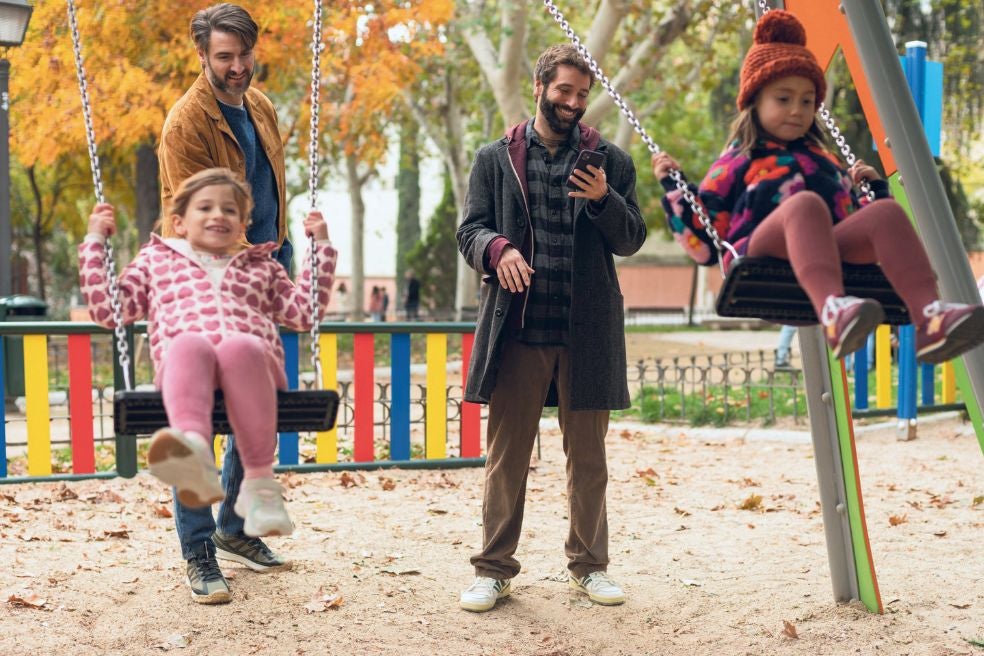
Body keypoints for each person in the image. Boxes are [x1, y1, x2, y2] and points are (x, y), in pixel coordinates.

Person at [653, 10, 984, 366]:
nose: (797, 110)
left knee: (885, 213)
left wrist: (874, 193)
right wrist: (675, 189)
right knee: (805, 205)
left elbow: (858, 226)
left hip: (828, 254)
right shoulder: (738, 160)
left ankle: (929, 317)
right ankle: (833, 312)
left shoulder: (825, 162)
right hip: (762, 255)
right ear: (754, 102)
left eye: (807, 101)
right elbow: (704, 244)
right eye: (783, 99)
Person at [80, 169, 336, 596]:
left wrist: (320, 248)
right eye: (206, 207)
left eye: (230, 210)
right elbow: (111, 310)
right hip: (187, 378)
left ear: (243, 224)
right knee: (188, 345)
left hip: (252, 373)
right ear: (178, 222)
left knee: (241, 346)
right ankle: (194, 455)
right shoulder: (156, 261)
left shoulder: (262, 267)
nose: (218, 215)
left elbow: (304, 312)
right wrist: (94, 242)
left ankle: (259, 484)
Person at [456, 44, 646, 612]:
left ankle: (589, 566)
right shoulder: (496, 158)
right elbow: (470, 231)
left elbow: (631, 237)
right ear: (539, 88)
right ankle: (493, 569)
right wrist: (497, 249)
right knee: (507, 457)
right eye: (565, 91)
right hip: (518, 330)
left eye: (583, 94)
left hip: (586, 332)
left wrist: (603, 200)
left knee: (588, 459)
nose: (574, 103)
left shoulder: (608, 161)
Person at [155, 3, 296, 602]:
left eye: (244, 55)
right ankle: (197, 549)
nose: (237, 67)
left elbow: (269, 189)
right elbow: (190, 214)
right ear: (203, 56)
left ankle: (235, 528)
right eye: (224, 57)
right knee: (195, 417)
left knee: (256, 402)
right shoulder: (185, 124)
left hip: (265, 271)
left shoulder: (258, 106)